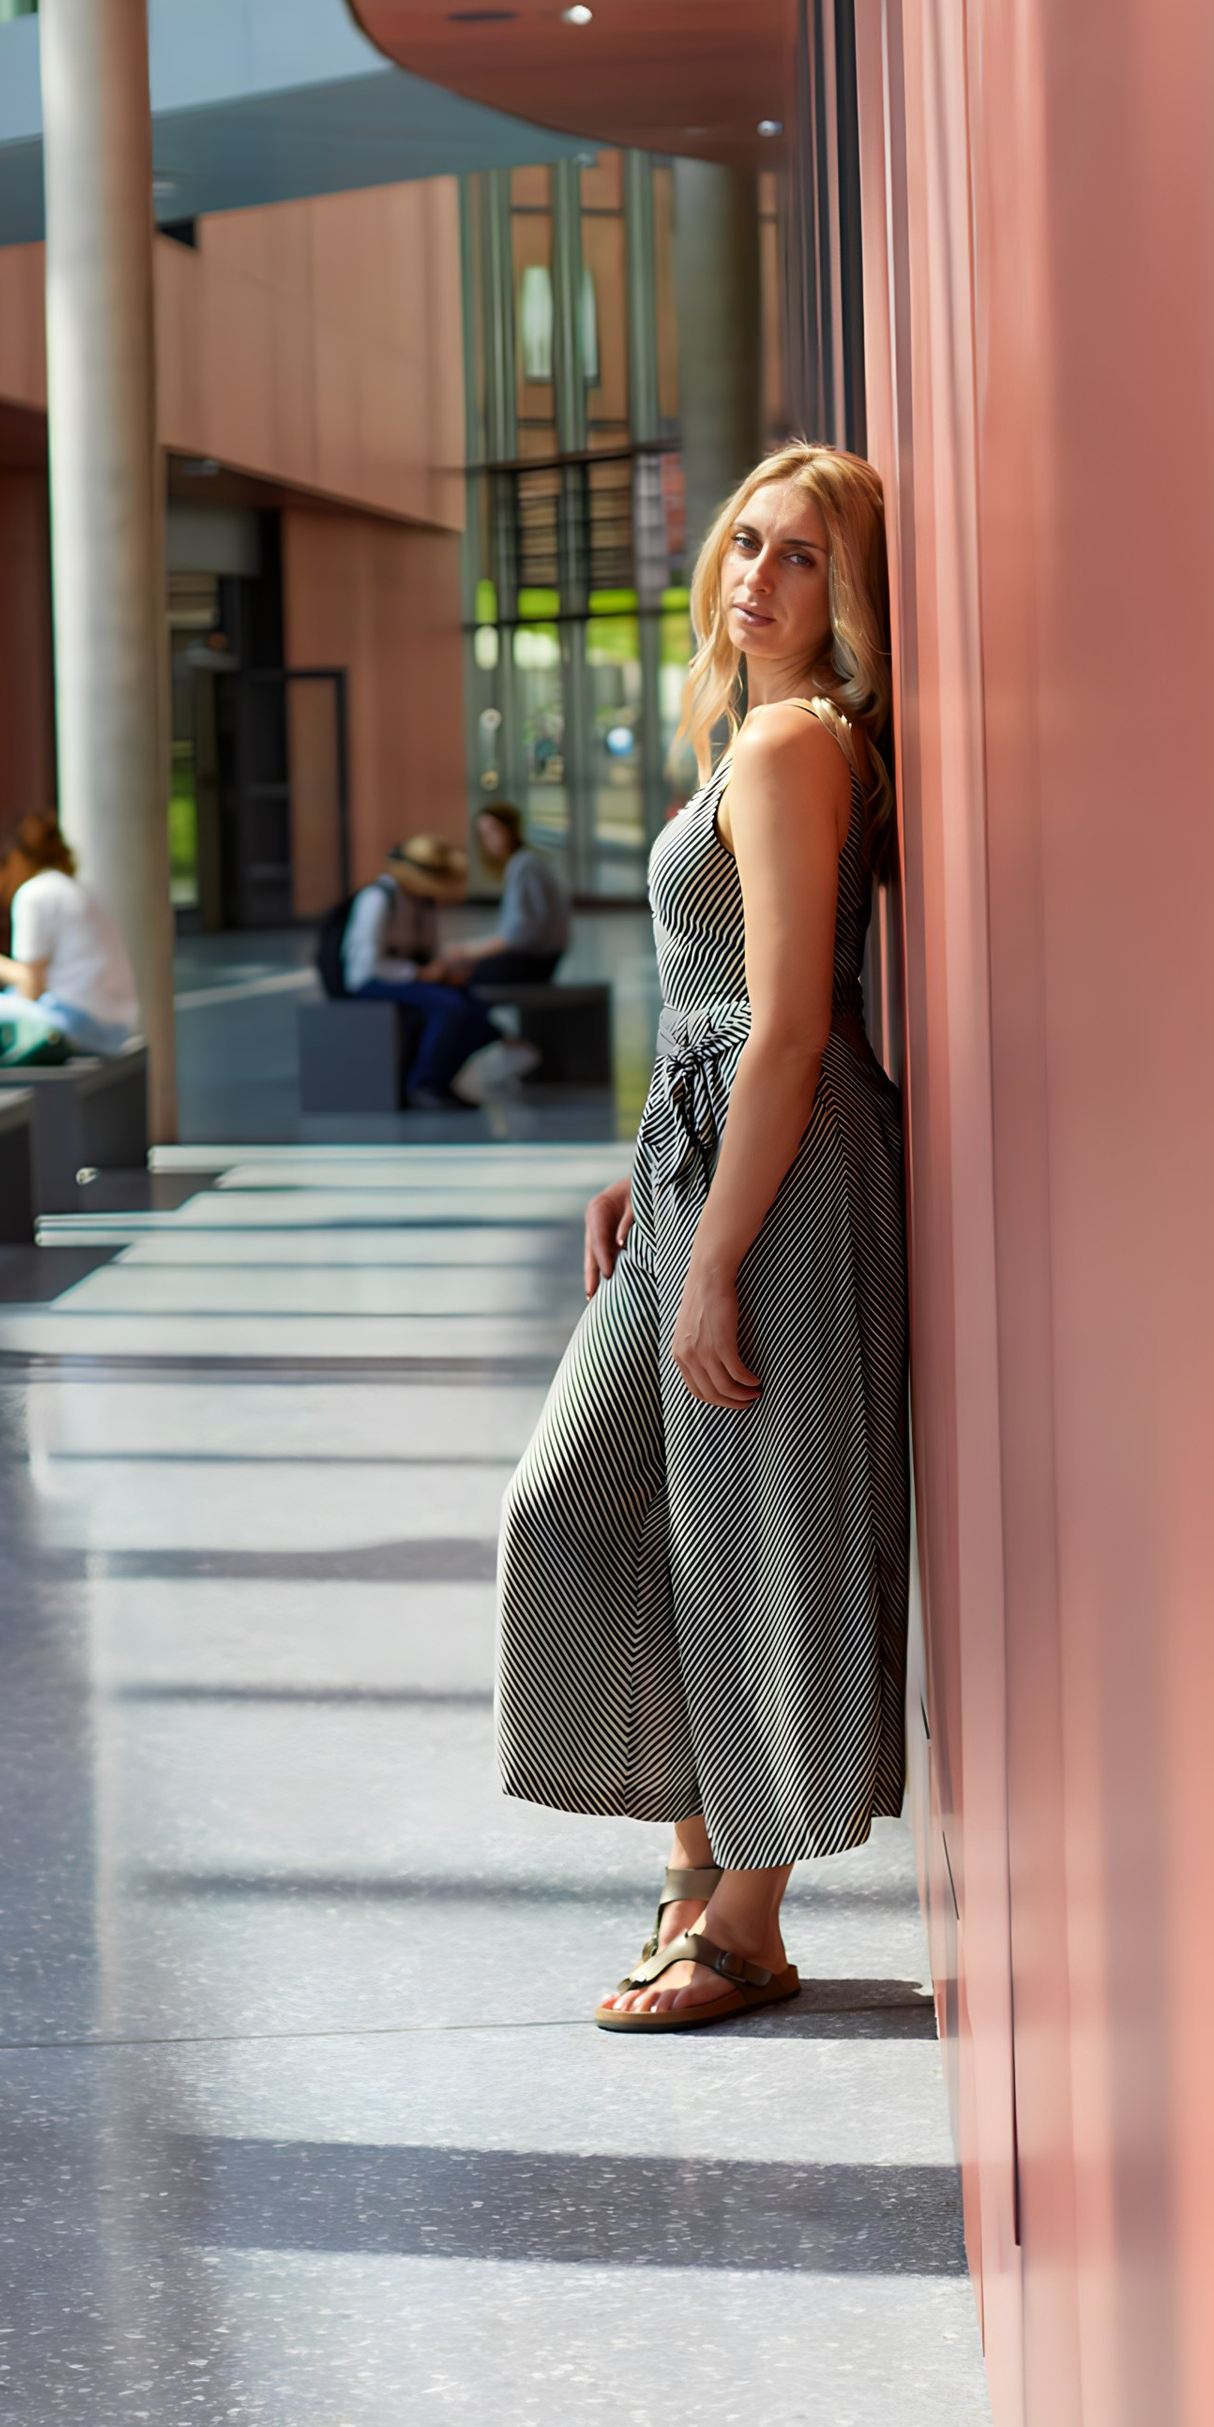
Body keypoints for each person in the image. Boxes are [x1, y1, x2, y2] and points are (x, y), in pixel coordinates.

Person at [496, 443, 907, 2030]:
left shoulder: (799, 743)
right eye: (747, 541)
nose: (758, 576)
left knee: (757, 1535)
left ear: (846, 591)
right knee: (583, 1501)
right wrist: (642, 1171)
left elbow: (792, 1026)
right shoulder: (744, 734)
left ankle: (746, 1919)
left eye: (800, 555)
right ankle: (697, 1860)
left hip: (779, 1173)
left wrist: (718, 1256)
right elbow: (714, 1010)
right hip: (701, 1150)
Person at [0, 812, 138, 1059]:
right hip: (118, 1027)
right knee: (8, 998)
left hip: (78, 1024)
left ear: (14, 860)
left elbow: (31, 987)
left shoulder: (34, 893)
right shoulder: (77, 889)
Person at [332, 833, 502, 1110]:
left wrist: (443, 972)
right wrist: (418, 975)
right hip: (374, 979)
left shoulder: (422, 903)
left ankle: (441, 1078)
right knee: (448, 1006)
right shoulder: (377, 899)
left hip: (408, 975)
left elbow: (427, 951)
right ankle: (423, 1083)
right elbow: (369, 963)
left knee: (479, 1012)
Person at [431, 803, 571, 991]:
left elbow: (520, 934)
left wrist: (467, 951)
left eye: (493, 832)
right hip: (535, 957)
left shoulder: (524, 865)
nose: (489, 841)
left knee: (459, 977)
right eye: (484, 835)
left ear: (510, 831)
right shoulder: (523, 863)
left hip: (534, 961)